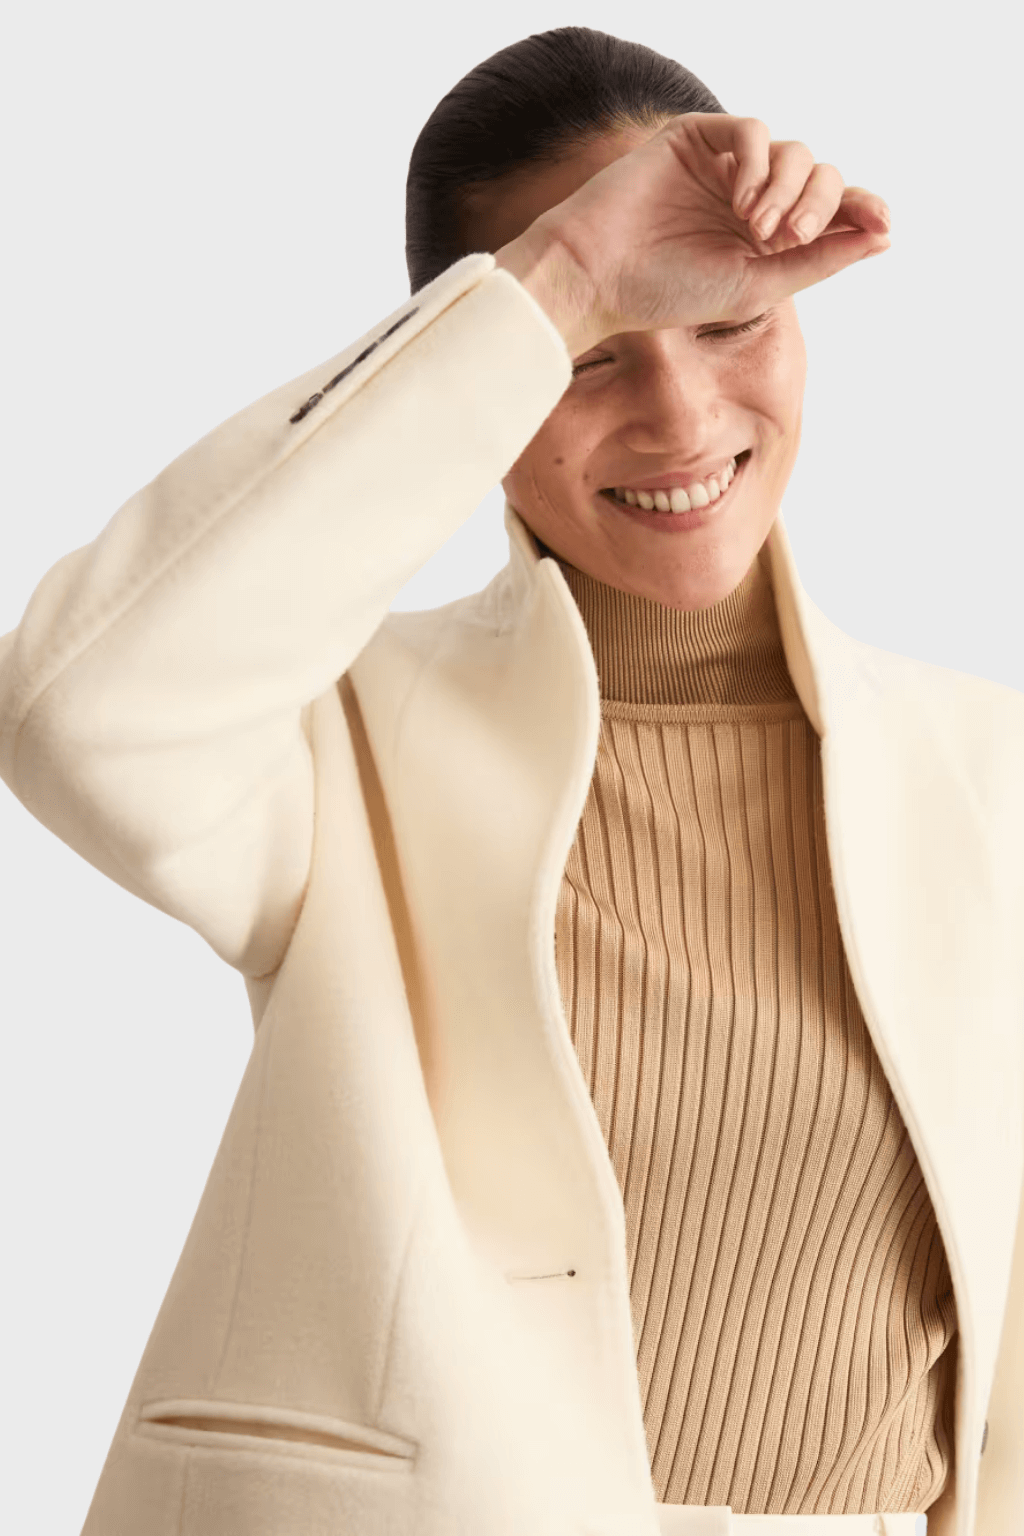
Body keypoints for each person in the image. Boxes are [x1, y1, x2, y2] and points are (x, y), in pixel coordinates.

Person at [0, 23, 1020, 1536]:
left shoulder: (987, 770)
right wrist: (560, 278)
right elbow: (78, 713)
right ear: (473, 375)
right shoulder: (342, 733)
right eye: (592, 354)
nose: (680, 420)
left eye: (730, 322)